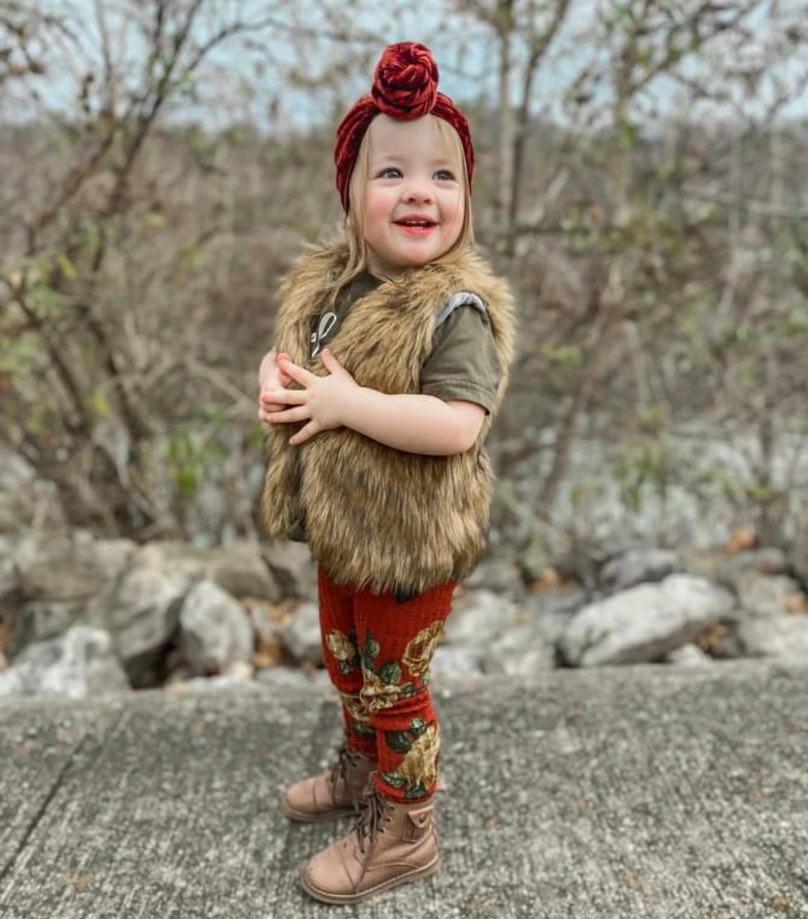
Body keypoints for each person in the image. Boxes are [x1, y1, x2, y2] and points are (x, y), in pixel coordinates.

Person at [257, 41, 516, 905]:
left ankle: (406, 826)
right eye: (391, 173)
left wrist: (348, 407)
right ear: (351, 197)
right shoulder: (338, 289)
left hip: (410, 540)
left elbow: (456, 424)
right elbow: (302, 360)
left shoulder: (454, 310)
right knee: (348, 663)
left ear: (467, 199)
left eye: (443, 178)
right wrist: (278, 378)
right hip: (343, 527)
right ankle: (363, 771)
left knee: (396, 683)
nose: (418, 192)